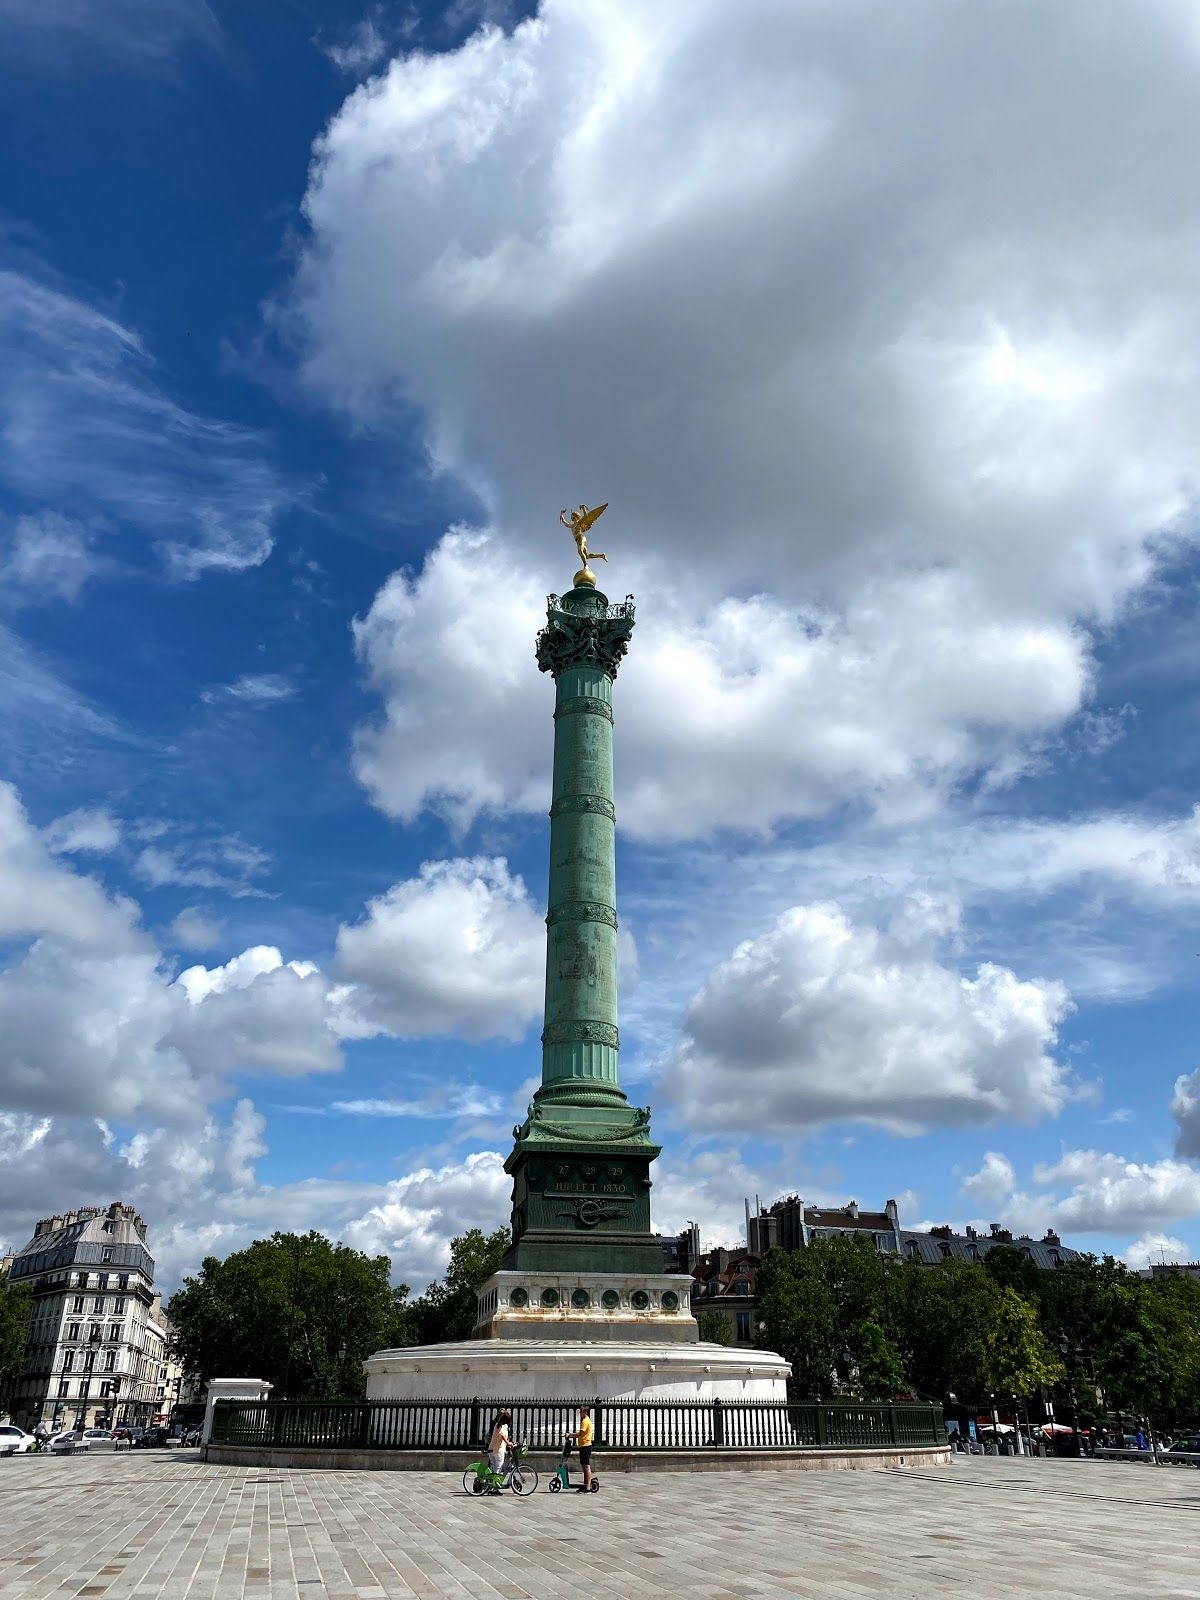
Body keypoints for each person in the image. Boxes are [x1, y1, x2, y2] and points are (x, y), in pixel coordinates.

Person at [487, 1409, 513, 1491]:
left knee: (494, 1468)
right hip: (498, 1450)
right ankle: (495, 1488)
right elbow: (501, 1434)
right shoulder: (504, 1426)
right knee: (498, 1468)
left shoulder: (497, 1424)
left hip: (491, 1449)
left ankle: (491, 1487)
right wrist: (508, 1443)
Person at [571, 1405, 594, 1492]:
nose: (580, 1413)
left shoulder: (585, 1421)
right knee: (584, 1466)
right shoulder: (585, 1420)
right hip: (583, 1445)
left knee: (586, 1466)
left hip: (585, 1446)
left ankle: (587, 1487)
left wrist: (570, 1435)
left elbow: (580, 1434)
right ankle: (585, 1485)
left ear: (585, 1412)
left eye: (581, 1411)